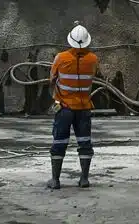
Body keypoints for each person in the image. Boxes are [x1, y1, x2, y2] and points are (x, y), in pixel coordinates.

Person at [47, 22, 98, 190]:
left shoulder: (60, 58)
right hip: (84, 108)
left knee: (59, 142)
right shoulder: (93, 59)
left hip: (64, 108)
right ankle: (84, 179)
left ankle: (55, 180)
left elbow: (52, 79)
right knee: (84, 142)